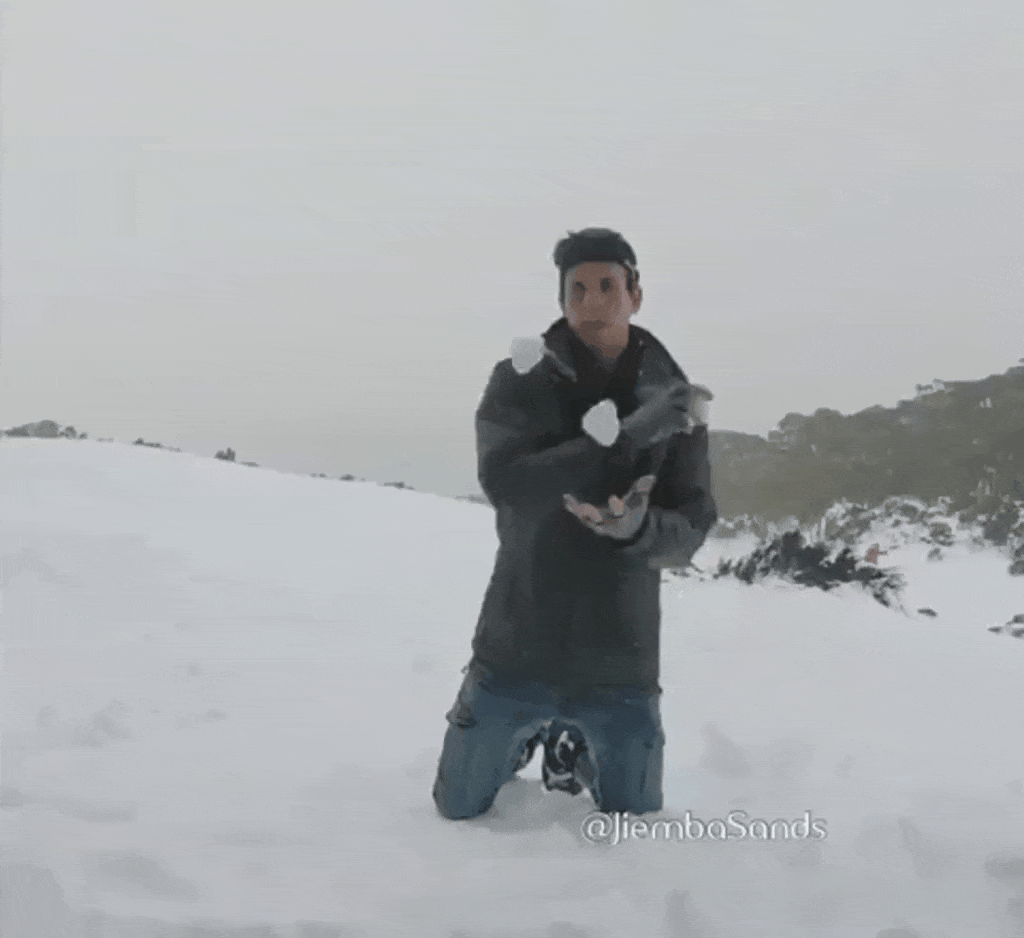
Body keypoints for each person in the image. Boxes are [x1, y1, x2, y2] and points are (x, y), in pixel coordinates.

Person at [432, 227, 718, 820]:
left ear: (636, 293)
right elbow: (508, 485)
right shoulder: (521, 380)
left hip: (620, 656)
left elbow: (691, 526)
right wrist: (621, 439)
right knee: (456, 809)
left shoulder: (676, 403)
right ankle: (522, 740)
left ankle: (572, 748)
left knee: (636, 823)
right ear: (561, 300)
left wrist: (637, 530)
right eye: (577, 289)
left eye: (608, 286)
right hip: (516, 640)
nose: (592, 302)